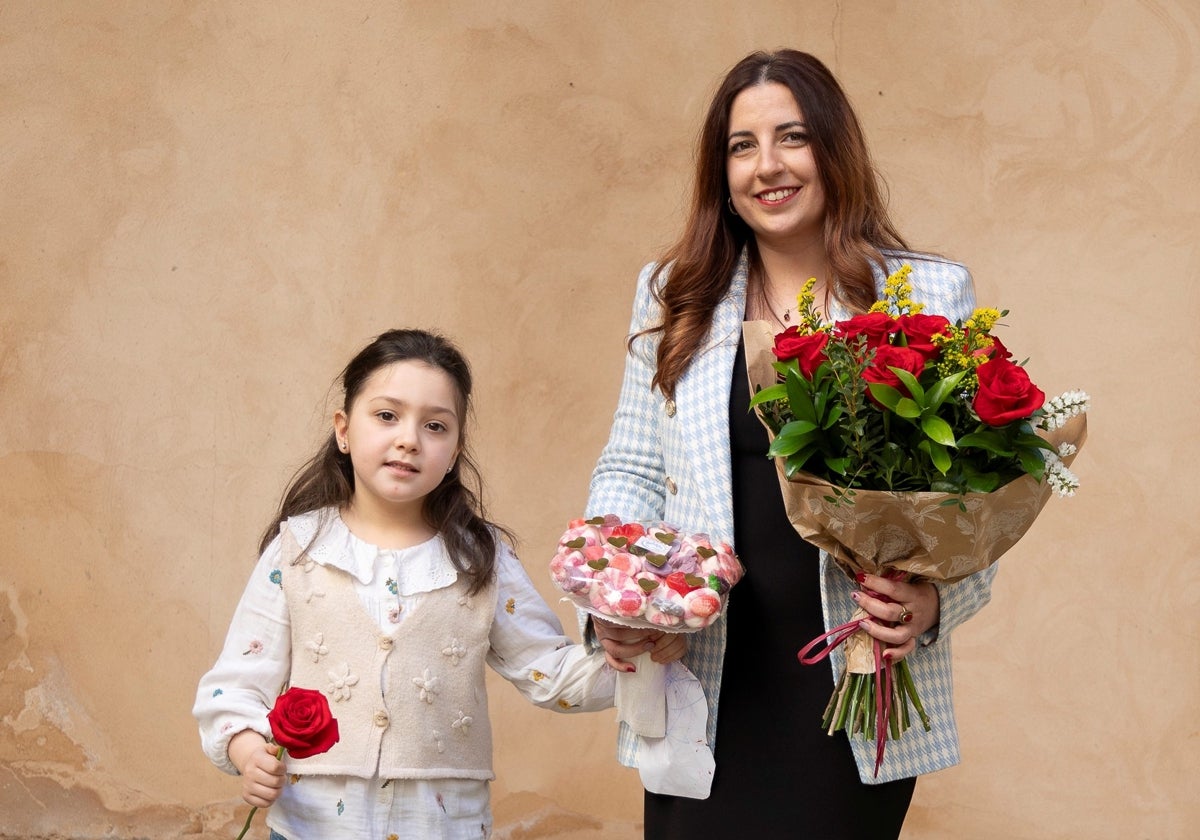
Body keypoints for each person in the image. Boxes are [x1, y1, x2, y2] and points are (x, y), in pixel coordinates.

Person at [586, 49, 997, 839]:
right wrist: (618, 594)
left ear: (833, 150)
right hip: (699, 677)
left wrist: (935, 600)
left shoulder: (928, 292)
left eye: (792, 137)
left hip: (851, 675)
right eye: (742, 146)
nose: (766, 166)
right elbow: (632, 464)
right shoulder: (676, 295)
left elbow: (978, 494)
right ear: (722, 169)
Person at [194, 328, 681, 839]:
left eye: (434, 426)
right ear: (343, 429)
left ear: (454, 449)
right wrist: (248, 751)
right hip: (309, 827)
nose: (409, 438)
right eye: (386, 416)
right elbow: (236, 685)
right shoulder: (297, 548)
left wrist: (643, 646)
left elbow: (549, 671)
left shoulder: (481, 558)